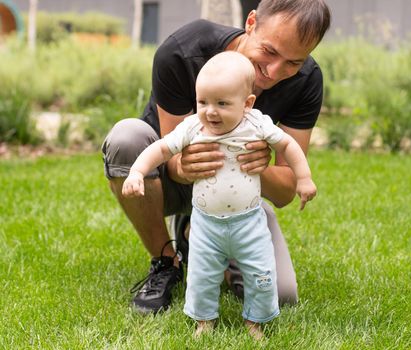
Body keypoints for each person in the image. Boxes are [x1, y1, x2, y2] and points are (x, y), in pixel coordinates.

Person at [101, 0, 331, 314]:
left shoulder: (307, 81)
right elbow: (173, 158)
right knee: (126, 137)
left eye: (293, 62)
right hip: (168, 181)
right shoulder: (184, 50)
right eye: (270, 51)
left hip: (237, 195)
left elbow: (285, 191)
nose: (274, 72)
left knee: (283, 293)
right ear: (251, 23)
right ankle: (166, 262)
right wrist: (184, 165)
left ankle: (194, 235)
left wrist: (255, 165)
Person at [122, 51, 317, 338]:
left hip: (248, 223)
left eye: (222, 103)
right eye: (203, 102)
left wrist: (304, 178)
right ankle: (204, 321)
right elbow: (161, 149)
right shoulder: (193, 127)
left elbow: (288, 145)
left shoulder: (257, 124)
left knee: (261, 275)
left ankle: (255, 320)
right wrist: (138, 172)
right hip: (207, 224)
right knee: (202, 276)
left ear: (247, 104)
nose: (210, 111)